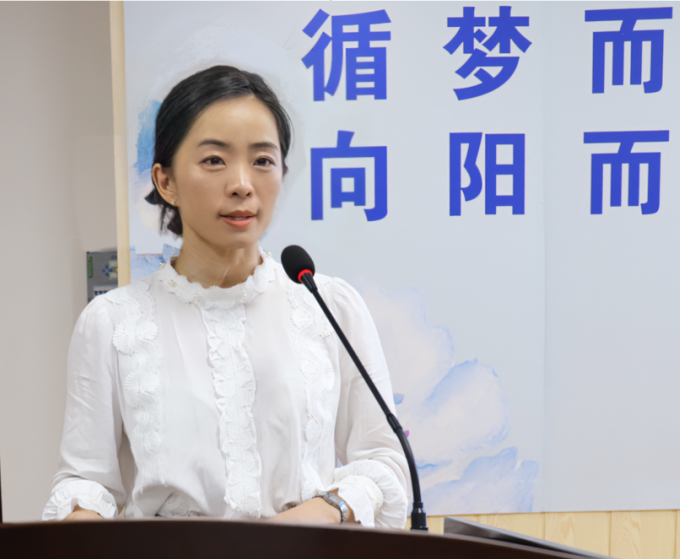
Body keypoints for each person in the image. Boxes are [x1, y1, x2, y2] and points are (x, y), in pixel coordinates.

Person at [44, 65, 410, 528]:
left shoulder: (329, 306)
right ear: (166, 181)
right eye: (214, 160)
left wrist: (311, 518)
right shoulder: (112, 322)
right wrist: (83, 522)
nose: (242, 183)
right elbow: (86, 480)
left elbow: (384, 460)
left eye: (263, 160)